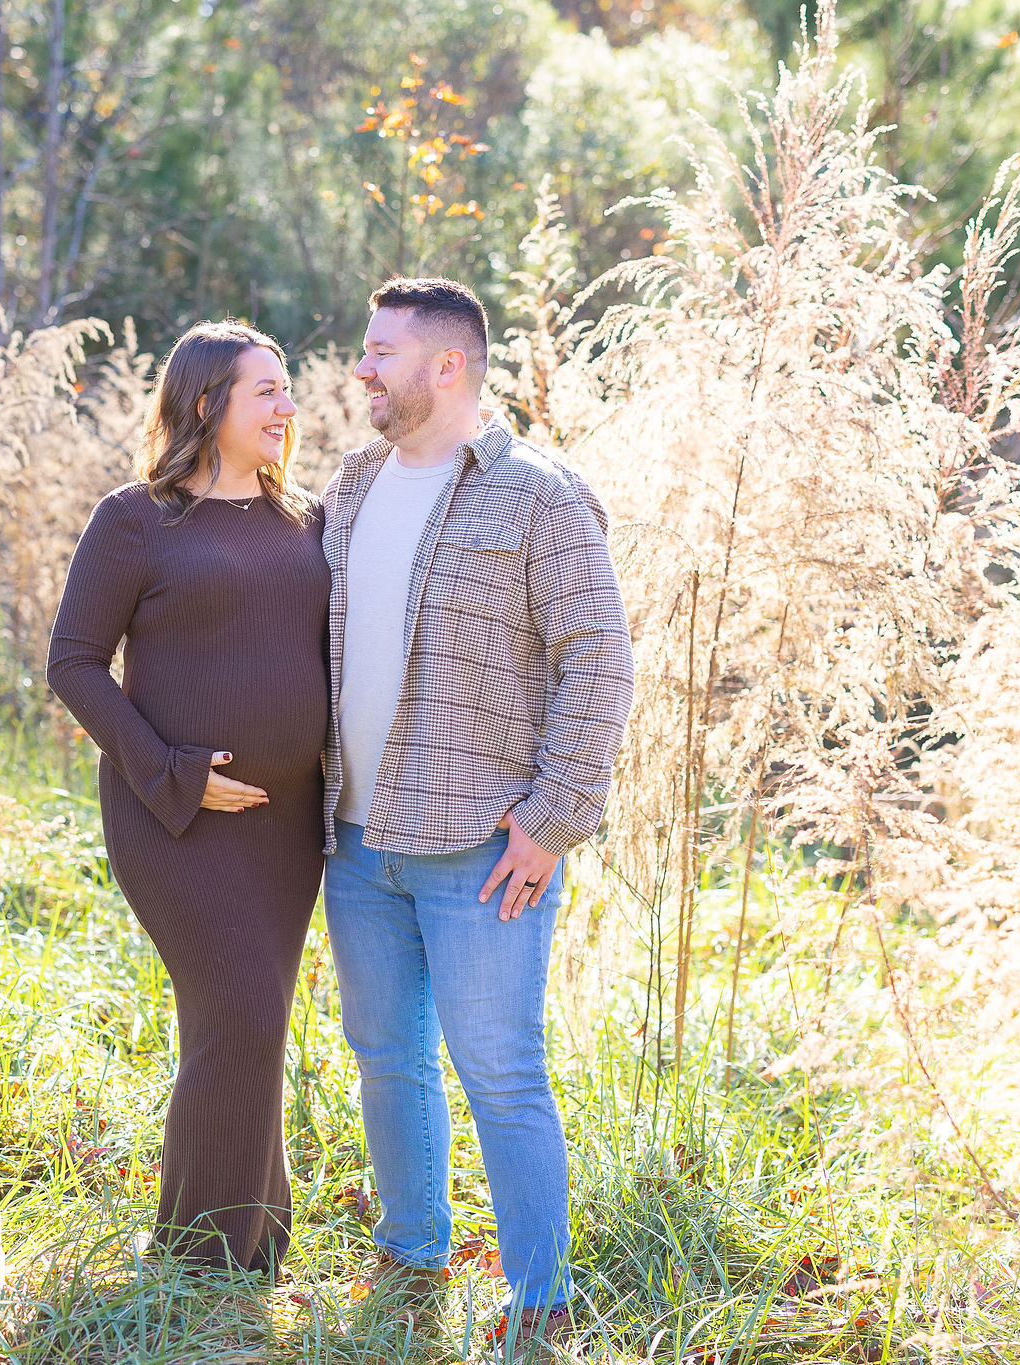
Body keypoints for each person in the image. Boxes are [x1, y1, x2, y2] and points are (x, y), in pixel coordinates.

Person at [320, 278, 633, 1352]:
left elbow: (598, 662)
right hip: (354, 838)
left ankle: (538, 1299)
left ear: (444, 365)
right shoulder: (353, 484)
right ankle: (413, 1254)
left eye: (379, 351)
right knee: (383, 1055)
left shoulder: (540, 495)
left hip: (480, 846)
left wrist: (554, 819)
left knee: (498, 1070)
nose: (360, 368)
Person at [47, 322, 328, 1275]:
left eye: (287, 389)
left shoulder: (309, 522)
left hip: (287, 830)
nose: (288, 407)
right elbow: (73, 662)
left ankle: (251, 1248)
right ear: (206, 403)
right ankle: (197, 1266)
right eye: (268, 390)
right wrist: (171, 770)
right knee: (242, 1012)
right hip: (174, 820)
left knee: (249, 1021)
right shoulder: (137, 518)